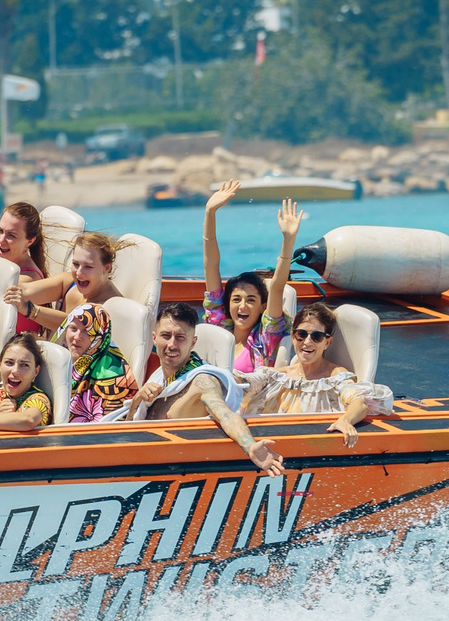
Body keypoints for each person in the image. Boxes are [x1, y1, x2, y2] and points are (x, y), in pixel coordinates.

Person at [107, 301, 281, 472]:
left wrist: (250, 446)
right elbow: (130, 434)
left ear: (192, 342)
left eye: (180, 338)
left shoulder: (202, 381)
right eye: (166, 336)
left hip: (180, 471)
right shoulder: (158, 377)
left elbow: (226, 415)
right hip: (144, 466)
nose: (171, 345)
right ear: (154, 338)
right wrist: (136, 402)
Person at [240, 300, 395, 448]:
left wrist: (346, 421)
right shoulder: (275, 375)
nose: (307, 342)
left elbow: (359, 403)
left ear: (327, 342)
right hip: (270, 444)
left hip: (317, 445)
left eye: (317, 337)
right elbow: (246, 382)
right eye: (301, 334)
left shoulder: (336, 377)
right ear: (293, 337)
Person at [202, 186, 301, 374]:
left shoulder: (264, 339)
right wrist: (210, 213)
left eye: (251, 300)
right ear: (227, 304)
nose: (242, 306)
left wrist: (288, 240)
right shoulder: (220, 328)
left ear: (262, 307)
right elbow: (211, 266)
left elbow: (277, 287)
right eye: (236, 299)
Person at [14, 230, 121, 334]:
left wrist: (30, 310)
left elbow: (77, 325)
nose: (79, 273)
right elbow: (25, 290)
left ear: (106, 268)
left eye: (88, 267)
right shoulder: (68, 283)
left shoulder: (111, 306)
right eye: (76, 264)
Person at [59, 302, 136, 423]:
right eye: (73, 329)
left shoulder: (113, 377)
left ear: (100, 336)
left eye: (87, 332)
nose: (77, 337)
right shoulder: (61, 363)